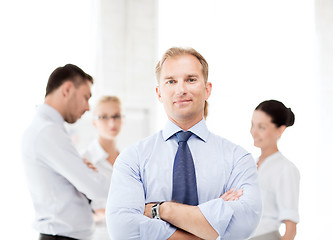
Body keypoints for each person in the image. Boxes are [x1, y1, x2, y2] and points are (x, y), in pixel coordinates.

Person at [106, 47, 262, 239]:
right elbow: (123, 229)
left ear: (207, 90)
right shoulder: (133, 158)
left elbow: (244, 222)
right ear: (159, 93)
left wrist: (162, 210)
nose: (181, 90)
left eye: (191, 79)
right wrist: (212, 222)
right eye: (171, 81)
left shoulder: (238, 159)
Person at [22, 64, 111, 240]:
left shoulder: (48, 129)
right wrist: (90, 176)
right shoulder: (47, 131)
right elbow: (96, 188)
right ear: (67, 89)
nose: (87, 107)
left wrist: (85, 174)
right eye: (86, 97)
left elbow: (81, 186)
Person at [249, 100, 300, 240]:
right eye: (252, 125)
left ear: (280, 130)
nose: (254, 132)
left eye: (262, 127)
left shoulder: (286, 169)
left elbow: (291, 231)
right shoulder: (251, 165)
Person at [83, 96, 123, 240]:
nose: (112, 122)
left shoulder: (128, 159)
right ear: (94, 122)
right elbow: (76, 212)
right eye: (104, 117)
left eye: (116, 116)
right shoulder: (85, 160)